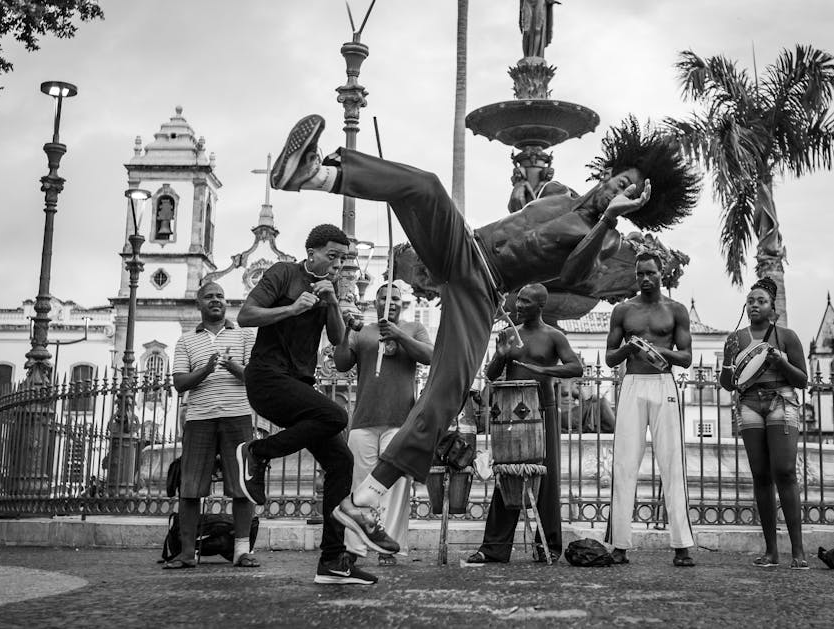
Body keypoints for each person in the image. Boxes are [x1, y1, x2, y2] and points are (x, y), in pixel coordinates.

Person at [262, 113, 699, 555]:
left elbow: (571, 275)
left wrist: (609, 219)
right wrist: (523, 188)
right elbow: (522, 202)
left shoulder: (605, 241)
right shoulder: (557, 193)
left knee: (446, 393)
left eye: (629, 194)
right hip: (465, 249)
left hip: (483, 289)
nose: (618, 192)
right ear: (607, 174)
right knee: (426, 186)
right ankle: (313, 173)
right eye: (620, 182)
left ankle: (364, 501)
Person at [235, 224, 379, 585]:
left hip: (298, 384)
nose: (337, 264)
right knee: (336, 415)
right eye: (332, 256)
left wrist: (333, 303)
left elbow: (336, 338)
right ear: (312, 253)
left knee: (341, 461)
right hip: (267, 378)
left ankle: (332, 560)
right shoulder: (283, 274)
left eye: (342, 259)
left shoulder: (330, 287)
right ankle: (257, 452)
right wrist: (292, 308)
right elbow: (246, 315)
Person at [466, 283, 582, 564]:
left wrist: (543, 369)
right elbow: (491, 374)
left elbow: (575, 367)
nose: (519, 305)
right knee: (507, 474)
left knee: (546, 477)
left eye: (526, 301)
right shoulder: (508, 334)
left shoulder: (554, 336)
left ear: (540, 306)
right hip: (510, 413)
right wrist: (501, 355)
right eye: (519, 300)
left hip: (543, 410)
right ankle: (494, 548)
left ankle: (548, 547)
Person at [604, 253, 695, 567]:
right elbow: (609, 358)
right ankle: (619, 545)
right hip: (632, 383)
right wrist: (629, 348)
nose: (645, 278)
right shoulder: (623, 310)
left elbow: (686, 358)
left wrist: (659, 350)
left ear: (661, 273)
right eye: (640, 273)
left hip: (663, 383)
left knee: (672, 463)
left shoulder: (676, 310)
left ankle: (682, 546)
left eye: (651, 273)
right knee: (624, 464)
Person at [332, 282, 433, 566]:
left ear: (403, 304)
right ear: (375, 303)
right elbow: (341, 363)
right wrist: (345, 332)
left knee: (394, 487)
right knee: (360, 485)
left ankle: (389, 548)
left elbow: (430, 356)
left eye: (396, 298)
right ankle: (355, 548)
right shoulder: (363, 331)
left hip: (400, 421)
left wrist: (398, 335)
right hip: (364, 419)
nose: (390, 302)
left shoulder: (414, 328)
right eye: (384, 297)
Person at [718, 277, 809, 570]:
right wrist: (728, 361)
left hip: (781, 400)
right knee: (760, 475)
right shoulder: (736, 339)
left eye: (761, 301)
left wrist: (780, 363)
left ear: (772, 307)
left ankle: (798, 550)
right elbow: (728, 384)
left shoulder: (787, 336)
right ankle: (771, 551)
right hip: (749, 404)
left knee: (784, 471)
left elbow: (802, 380)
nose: (754, 305)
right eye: (750, 301)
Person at [166, 282, 258, 570]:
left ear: (226, 302)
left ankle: (242, 551)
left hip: (237, 415)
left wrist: (233, 367)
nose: (216, 300)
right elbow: (179, 383)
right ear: (199, 304)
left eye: (220, 296)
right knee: (190, 487)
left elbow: (256, 376)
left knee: (242, 486)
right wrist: (206, 369)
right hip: (199, 419)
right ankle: (186, 553)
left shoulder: (244, 335)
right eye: (209, 297)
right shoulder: (186, 341)